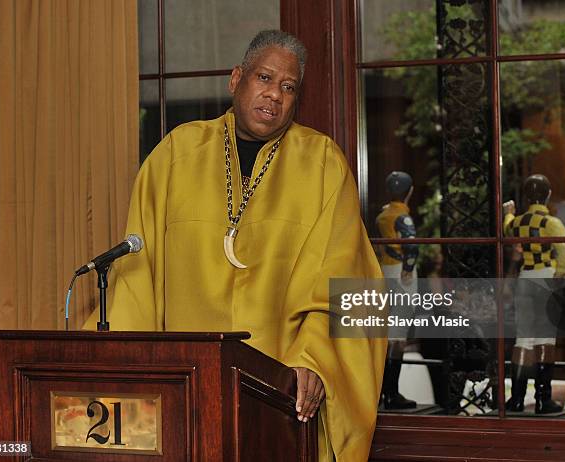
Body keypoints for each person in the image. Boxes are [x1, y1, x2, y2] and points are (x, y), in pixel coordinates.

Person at [86, 30, 386, 461]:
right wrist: (119, 374)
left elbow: (349, 281)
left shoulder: (322, 163)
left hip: (278, 393)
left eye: (288, 87)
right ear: (235, 79)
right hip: (186, 389)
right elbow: (137, 277)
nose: (274, 95)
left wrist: (315, 362)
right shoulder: (175, 154)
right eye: (265, 78)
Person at [503, 174, 565, 413]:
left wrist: (509, 212)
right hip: (545, 276)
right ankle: (543, 399)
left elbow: (506, 227)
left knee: (523, 339)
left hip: (525, 278)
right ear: (548, 195)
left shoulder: (518, 222)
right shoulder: (550, 222)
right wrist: (561, 272)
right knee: (545, 339)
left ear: (526, 196)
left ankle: (516, 399)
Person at [375, 171, 419, 409]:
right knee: (397, 336)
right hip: (402, 274)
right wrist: (409, 267)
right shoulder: (403, 217)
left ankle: (385, 391)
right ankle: (392, 392)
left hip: (385, 272)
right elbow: (410, 244)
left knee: (389, 334)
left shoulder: (383, 215)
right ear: (409, 191)